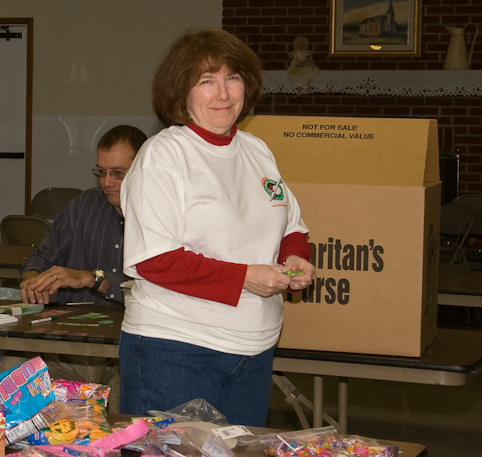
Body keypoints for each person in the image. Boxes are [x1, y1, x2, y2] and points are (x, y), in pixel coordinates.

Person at [119, 28, 315, 426]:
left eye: (233, 78)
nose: (223, 94)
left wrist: (296, 256)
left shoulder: (257, 150)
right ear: (181, 92)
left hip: (254, 351)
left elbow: (290, 226)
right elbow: (155, 260)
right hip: (176, 350)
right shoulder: (163, 156)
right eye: (206, 81)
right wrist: (245, 278)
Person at [19, 124, 148, 306]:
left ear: (142, 169)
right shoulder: (83, 206)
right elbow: (42, 257)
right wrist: (32, 276)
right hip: (75, 321)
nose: (107, 182)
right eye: (101, 172)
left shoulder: (158, 216)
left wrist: (91, 279)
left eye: (118, 173)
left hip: (131, 321)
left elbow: (150, 288)